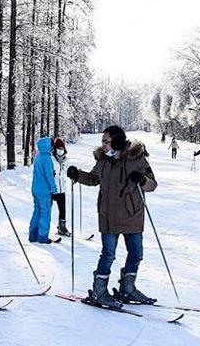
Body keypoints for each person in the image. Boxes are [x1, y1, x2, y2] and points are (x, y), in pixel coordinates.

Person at [67, 125, 157, 308]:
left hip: (132, 214)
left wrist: (141, 180)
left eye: (106, 141)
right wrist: (78, 175)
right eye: (102, 141)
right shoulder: (103, 160)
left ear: (116, 141)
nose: (103, 145)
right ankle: (99, 292)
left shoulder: (136, 158)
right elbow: (93, 179)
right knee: (108, 255)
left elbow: (152, 184)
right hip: (108, 214)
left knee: (136, 254)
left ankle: (128, 288)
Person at [29, 137, 58, 244]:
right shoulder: (47, 158)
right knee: (45, 213)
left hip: (35, 189)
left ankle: (33, 235)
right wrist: (54, 189)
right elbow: (49, 176)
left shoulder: (38, 156)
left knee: (37, 212)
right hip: (44, 191)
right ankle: (42, 237)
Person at [52, 137, 70, 236]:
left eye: (62, 148)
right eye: (58, 148)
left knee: (62, 209)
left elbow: (66, 171)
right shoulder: (51, 158)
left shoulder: (64, 159)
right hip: (52, 188)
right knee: (47, 209)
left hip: (61, 188)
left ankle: (62, 227)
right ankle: (43, 229)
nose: (60, 150)